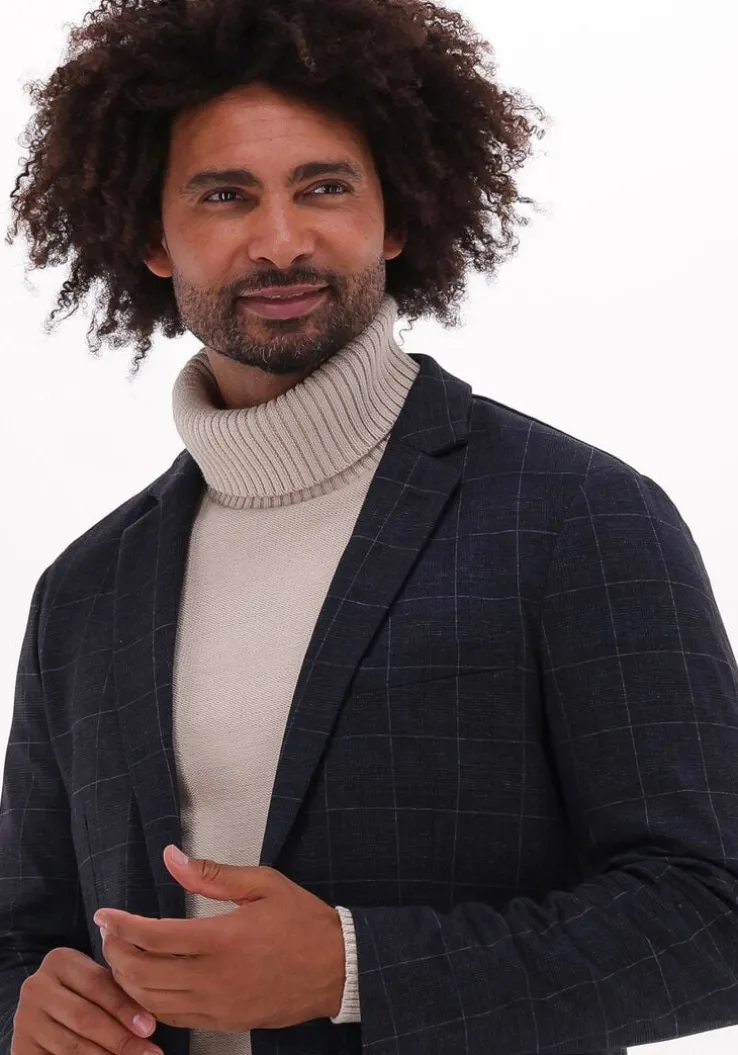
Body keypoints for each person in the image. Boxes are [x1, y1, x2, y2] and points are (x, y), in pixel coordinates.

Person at [2, 0, 738, 1054]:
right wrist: (27, 1010)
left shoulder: (576, 515)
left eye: (325, 187)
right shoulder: (84, 590)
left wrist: (353, 969)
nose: (281, 241)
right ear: (152, 237)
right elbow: (21, 932)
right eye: (225, 195)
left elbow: (714, 915)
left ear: (395, 216)